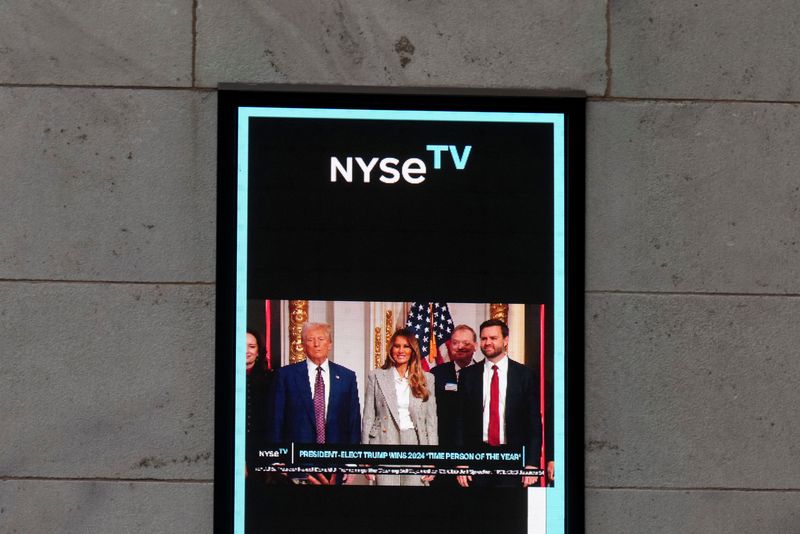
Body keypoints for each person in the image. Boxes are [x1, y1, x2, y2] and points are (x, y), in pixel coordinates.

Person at [267, 322, 361, 482]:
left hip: (335, 465)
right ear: (303, 345)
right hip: (296, 465)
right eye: (310, 340)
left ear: (329, 344)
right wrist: (277, 458)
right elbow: (276, 420)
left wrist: (351, 463)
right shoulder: (286, 376)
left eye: (321, 339)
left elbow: (353, 422)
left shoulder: (347, 377)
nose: (316, 344)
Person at [456, 319, 541, 488]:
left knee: (510, 511)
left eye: (493, 338)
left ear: (506, 340)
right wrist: (461, 462)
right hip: (477, 458)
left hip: (513, 458)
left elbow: (533, 423)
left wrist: (531, 463)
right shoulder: (468, 375)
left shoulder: (525, 375)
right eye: (484, 338)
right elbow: (459, 422)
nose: (488, 343)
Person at [362, 328, 438, 486]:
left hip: (415, 442)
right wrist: (365, 456)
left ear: (413, 350)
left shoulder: (427, 379)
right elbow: (368, 417)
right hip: (384, 441)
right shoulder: (376, 376)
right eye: (397, 346)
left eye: (406, 346)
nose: (401, 350)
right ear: (391, 349)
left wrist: (432, 459)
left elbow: (431, 422)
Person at [430, 324, 480, 446]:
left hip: (476, 446)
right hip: (444, 444)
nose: (460, 347)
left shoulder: (484, 373)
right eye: (455, 343)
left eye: (466, 343)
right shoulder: (436, 374)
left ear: (475, 346)